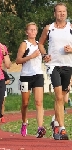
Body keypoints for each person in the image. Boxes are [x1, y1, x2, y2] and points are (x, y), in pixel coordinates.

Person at [38, 2, 72, 140]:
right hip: (53, 66)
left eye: (64, 11)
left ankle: (55, 123)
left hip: (68, 65)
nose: (62, 14)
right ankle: (62, 129)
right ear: (54, 13)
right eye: (59, 11)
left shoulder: (71, 28)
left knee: (63, 99)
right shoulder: (49, 28)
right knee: (58, 97)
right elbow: (40, 44)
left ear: (67, 13)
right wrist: (44, 55)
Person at [16, 22, 46, 138]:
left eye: (34, 29)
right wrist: (31, 56)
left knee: (39, 102)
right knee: (25, 103)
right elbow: (18, 60)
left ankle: (40, 127)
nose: (33, 31)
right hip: (25, 76)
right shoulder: (24, 44)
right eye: (31, 30)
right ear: (26, 32)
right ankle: (24, 122)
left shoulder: (40, 44)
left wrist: (47, 58)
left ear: (37, 32)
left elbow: (44, 57)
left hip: (38, 74)